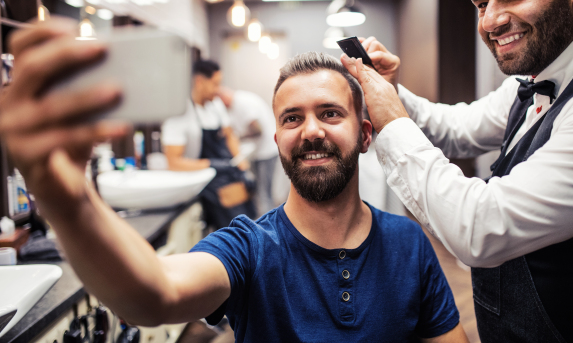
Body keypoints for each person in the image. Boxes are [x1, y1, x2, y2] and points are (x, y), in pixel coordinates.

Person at [0, 27, 468, 342]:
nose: (310, 131)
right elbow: (153, 295)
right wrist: (68, 197)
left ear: (365, 134)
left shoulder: (409, 244)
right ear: (277, 139)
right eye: (292, 118)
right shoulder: (249, 247)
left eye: (330, 113)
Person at [341, 0, 573, 341]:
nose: (491, 20)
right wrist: (393, 92)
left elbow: (482, 227)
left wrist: (391, 120)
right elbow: (456, 128)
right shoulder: (529, 81)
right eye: (481, 4)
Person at [161, 59, 255, 230]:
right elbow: (173, 162)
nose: (218, 90)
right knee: (235, 230)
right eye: (215, 84)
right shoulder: (180, 112)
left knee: (249, 220)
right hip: (203, 180)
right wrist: (211, 165)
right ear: (199, 82)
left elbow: (229, 135)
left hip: (226, 174)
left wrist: (239, 160)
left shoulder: (216, 105)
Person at [217, 86, 280, 215]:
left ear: (223, 98)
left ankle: (268, 227)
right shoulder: (235, 104)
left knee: (263, 192)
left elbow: (258, 130)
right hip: (259, 152)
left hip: (267, 151)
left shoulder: (243, 103)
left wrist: (238, 136)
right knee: (258, 190)